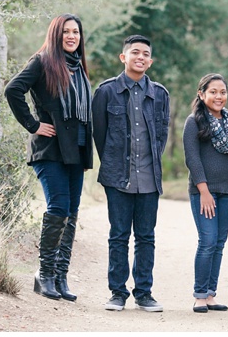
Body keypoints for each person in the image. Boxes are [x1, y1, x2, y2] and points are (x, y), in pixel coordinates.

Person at [5, 13, 93, 302]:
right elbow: (13, 89)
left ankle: (60, 276)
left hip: (76, 150)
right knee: (58, 208)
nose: (71, 36)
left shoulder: (79, 68)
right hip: (50, 149)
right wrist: (33, 125)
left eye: (76, 32)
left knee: (72, 212)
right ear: (56, 34)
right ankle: (43, 275)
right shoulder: (42, 61)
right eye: (66, 31)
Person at [92, 35, 170, 313]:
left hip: (149, 178)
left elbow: (161, 135)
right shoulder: (106, 91)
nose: (140, 57)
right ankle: (117, 292)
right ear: (123, 57)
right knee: (119, 236)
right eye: (134, 52)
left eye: (145, 53)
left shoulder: (160, 93)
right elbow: (99, 135)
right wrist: (114, 164)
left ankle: (144, 293)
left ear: (150, 61)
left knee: (146, 237)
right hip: (118, 178)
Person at [183, 74, 228, 313]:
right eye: (213, 92)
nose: (219, 96)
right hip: (204, 193)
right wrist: (204, 191)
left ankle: (211, 294)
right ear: (202, 94)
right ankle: (199, 295)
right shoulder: (194, 122)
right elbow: (192, 158)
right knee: (207, 241)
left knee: (219, 243)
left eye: (222, 92)